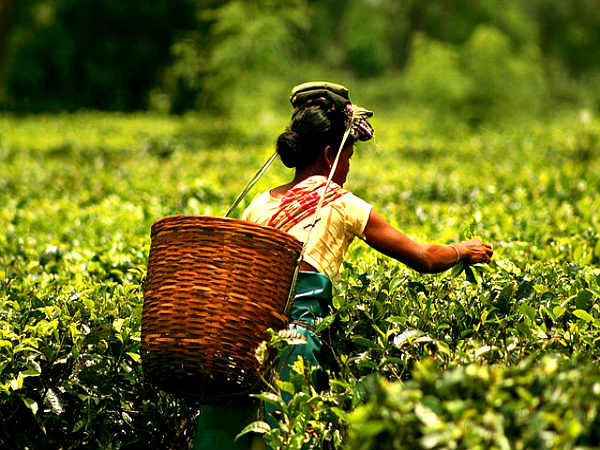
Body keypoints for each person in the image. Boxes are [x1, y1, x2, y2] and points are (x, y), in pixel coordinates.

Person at [193, 82, 493, 449]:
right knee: (285, 437)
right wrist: (462, 250)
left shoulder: (260, 203)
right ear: (329, 153)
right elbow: (424, 258)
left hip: (241, 342)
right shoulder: (341, 203)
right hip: (293, 345)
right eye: (348, 157)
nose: (347, 168)